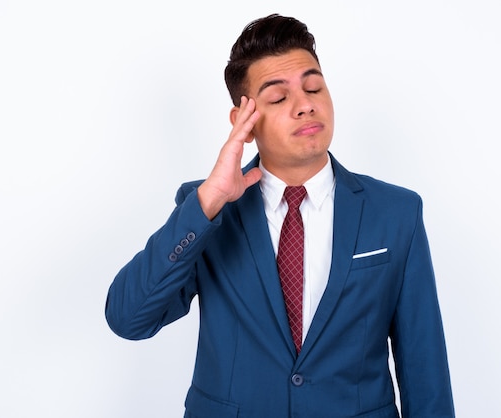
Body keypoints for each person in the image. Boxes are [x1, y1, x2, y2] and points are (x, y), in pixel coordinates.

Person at [105, 14, 454, 418]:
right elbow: (128, 319)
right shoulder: (204, 210)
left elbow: (424, 365)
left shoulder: (397, 212)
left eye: (314, 87)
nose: (305, 105)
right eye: (277, 98)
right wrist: (208, 202)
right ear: (244, 122)